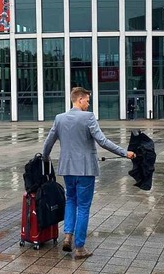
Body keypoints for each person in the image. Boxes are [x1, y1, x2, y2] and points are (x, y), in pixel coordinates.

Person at [43, 87, 135, 259]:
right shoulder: (88, 117)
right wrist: (124, 152)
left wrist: (46, 158)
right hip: (85, 170)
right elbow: (102, 141)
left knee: (71, 200)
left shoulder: (60, 118)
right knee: (84, 207)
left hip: (68, 169)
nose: (88, 103)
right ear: (79, 100)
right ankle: (79, 248)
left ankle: (68, 235)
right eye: (87, 100)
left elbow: (48, 142)